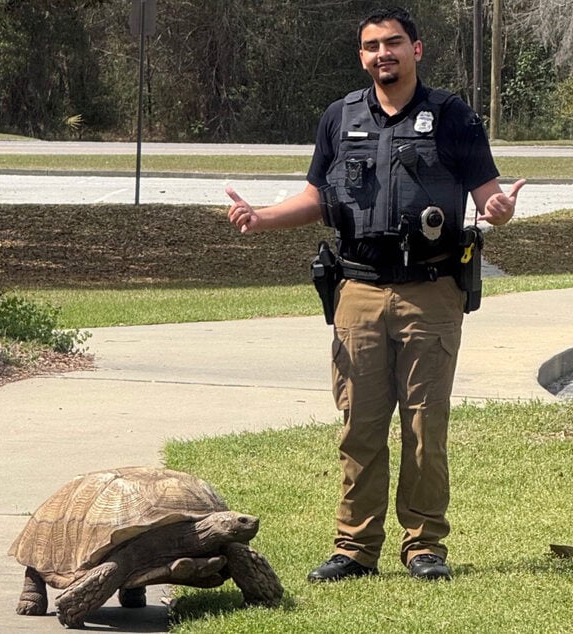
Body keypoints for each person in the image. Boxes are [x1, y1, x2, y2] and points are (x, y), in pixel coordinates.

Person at [226, 6, 525, 582]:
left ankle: (424, 547)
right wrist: (261, 218)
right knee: (358, 424)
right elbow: (316, 197)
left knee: (422, 426)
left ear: (417, 49)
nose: (382, 54)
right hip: (357, 291)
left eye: (393, 43)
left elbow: (490, 197)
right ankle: (355, 548)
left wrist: (500, 210)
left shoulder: (453, 117)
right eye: (371, 46)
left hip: (431, 291)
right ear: (362, 56)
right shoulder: (339, 117)